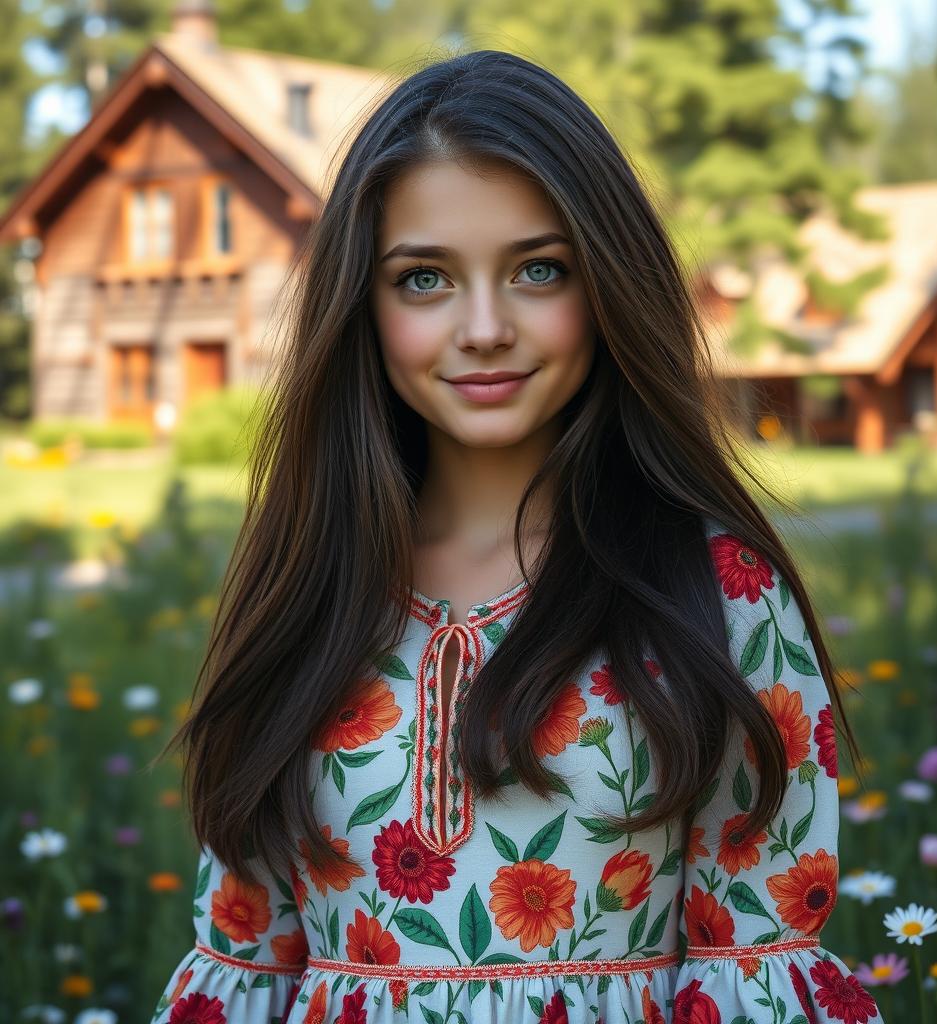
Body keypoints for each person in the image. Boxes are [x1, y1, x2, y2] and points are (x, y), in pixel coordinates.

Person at [149, 48, 882, 1024]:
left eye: (539, 270)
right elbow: (243, 969)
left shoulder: (721, 592)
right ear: (361, 305)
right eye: (424, 280)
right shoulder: (309, 587)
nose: (484, 326)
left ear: (609, 285)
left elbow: (756, 968)